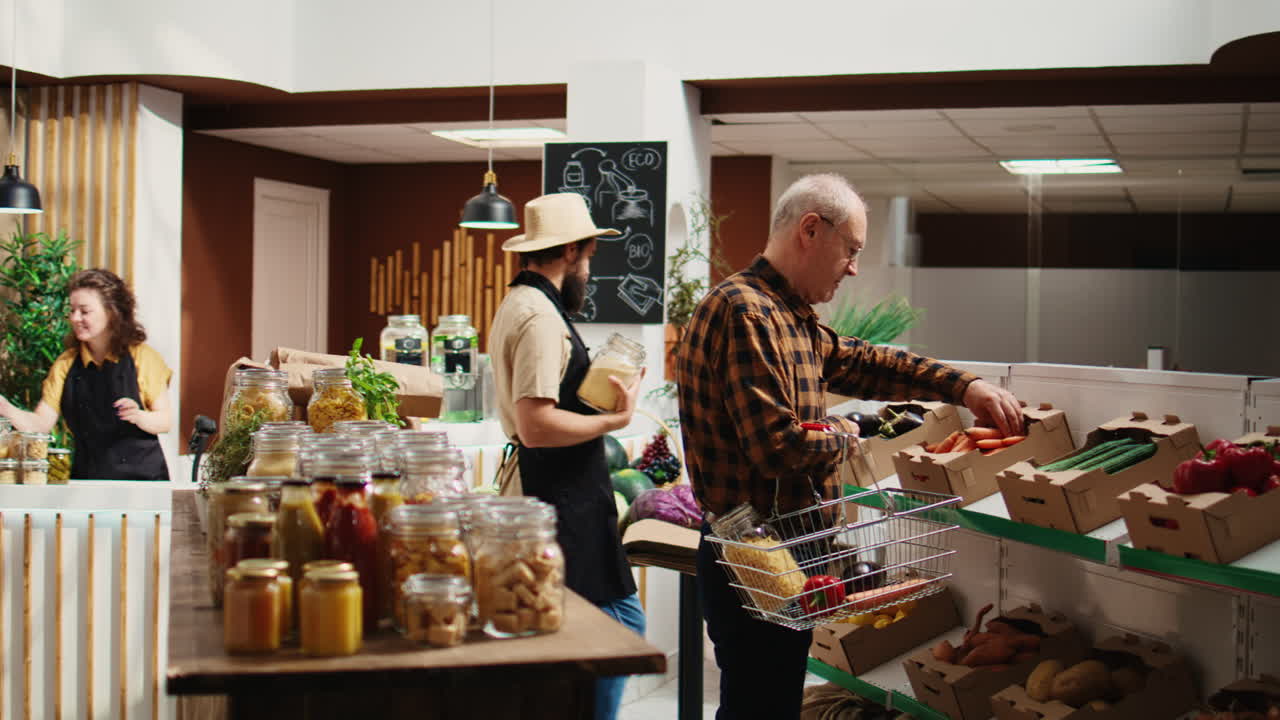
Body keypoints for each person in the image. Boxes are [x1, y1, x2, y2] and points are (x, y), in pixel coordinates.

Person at [675, 174, 1023, 720]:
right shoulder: (746, 313)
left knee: (770, 703)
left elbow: (867, 363)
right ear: (811, 230)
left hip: (786, 549)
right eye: (852, 250)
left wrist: (963, 386)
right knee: (758, 707)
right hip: (757, 554)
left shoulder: (788, 317)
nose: (854, 267)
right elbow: (777, 448)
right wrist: (847, 432)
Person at [488, 192, 647, 720]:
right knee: (617, 629)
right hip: (558, 500)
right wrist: (614, 421)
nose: (589, 270)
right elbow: (535, 425)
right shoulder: (538, 316)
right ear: (572, 250)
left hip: (564, 495)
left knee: (582, 640)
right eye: (589, 256)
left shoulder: (522, 302)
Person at [0, 268, 171, 480]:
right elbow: (41, 425)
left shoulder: (143, 357)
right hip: (87, 480)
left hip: (144, 483)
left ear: (112, 312)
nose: (75, 318)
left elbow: (164, 421)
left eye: (84, 311)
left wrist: (138, 416)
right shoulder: (66, 364)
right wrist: (5, 408)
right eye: (72, 310)